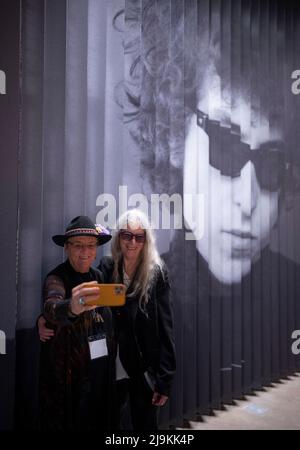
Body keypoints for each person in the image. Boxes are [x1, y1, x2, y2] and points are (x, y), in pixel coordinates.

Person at [118, 0, 300, 423]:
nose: (248, 199)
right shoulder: (145, 300)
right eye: (224, 146)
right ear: (175, 140)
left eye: (271, 165)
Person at [98, 208, 176, 430]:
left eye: (139, 236)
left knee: (145, 425)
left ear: (146, 240)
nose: (132, 242)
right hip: (113, 364)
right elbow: (86, 300)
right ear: (118, 237)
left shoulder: (157, 273)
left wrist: (164, 380)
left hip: (143, 367)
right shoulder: (107, 267)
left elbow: (166, 327)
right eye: (127, 235)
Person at [38, 215, 114, 431]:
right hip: (67, 384)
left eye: (91, 246)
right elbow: (52, 306)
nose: (85, 252)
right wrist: (72, 306)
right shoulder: (56, 278)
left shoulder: (99, 276)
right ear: (66, 248)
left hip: (99, 374)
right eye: (78, 245)